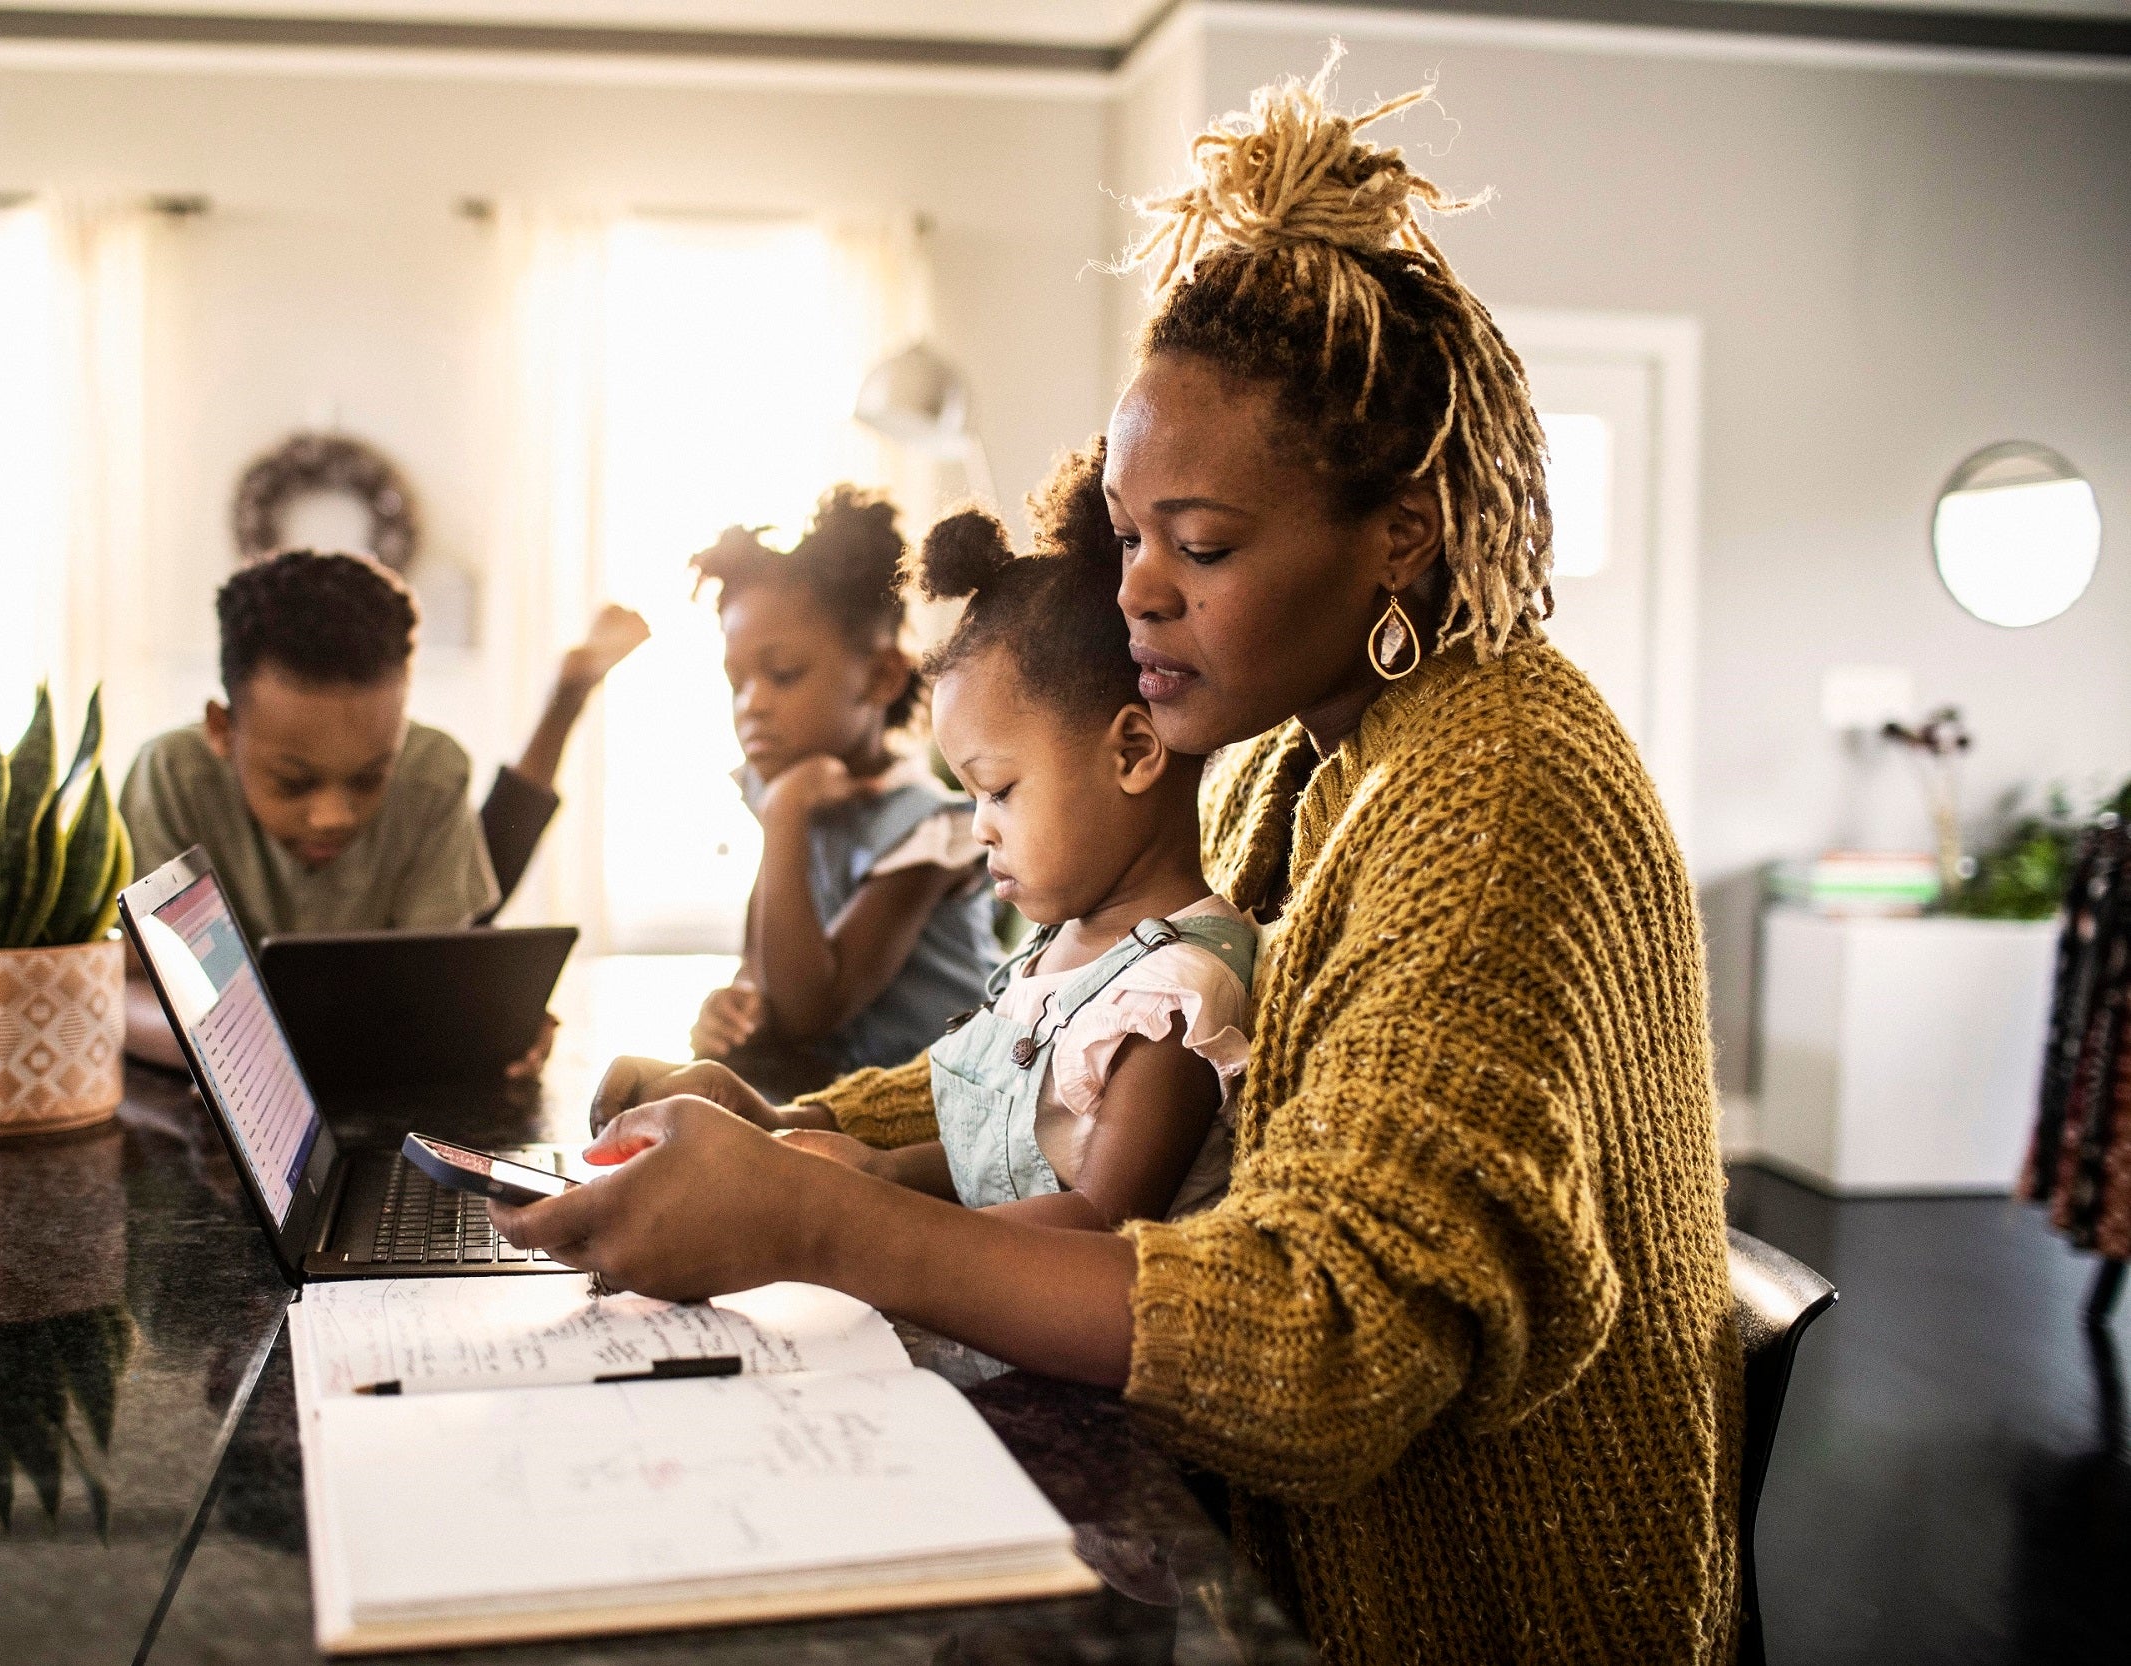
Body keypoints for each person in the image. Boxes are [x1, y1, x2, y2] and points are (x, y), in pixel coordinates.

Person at [492, 56, 1739, 1666]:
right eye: (1132, 532)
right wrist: (791, 1132)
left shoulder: (1495, 794)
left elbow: (1328, 1343)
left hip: (1469, 1604)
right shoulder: (1312, 739)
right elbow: (1072, 1027)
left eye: (1203, 546)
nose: (1139, 593)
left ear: (1404, 535)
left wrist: (817, 1222)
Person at [780, 490, 1257, 1256]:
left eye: (999, 791)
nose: (979, 827)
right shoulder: (1057, 948)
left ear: (1133, 752)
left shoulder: (1173, 996)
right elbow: (1006, 1158)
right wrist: (874, 1171)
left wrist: (856, 1221)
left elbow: (1096, 1225)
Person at [120, 548, 646, 1066]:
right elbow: (117, 990)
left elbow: (439, 975)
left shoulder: (432, 769)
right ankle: (566, 698)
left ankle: (565, 701)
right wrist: (247, 1048)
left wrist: (484, 1019)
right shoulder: (170, 776)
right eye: (293, 781)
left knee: (482, 897)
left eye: (371, 778)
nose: (334, 816)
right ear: (222, 729)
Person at [686, 487, 999, 1093]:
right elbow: (766, 976)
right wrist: (734, 1009)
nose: (751, 705)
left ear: (881, 676)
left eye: (782, 675)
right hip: (833, 1100)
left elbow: (811, 1009)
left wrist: (784, 818)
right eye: (736, 682)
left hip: (940, 1112)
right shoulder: (787, 796)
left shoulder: (930, 828)